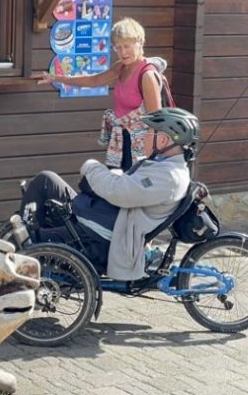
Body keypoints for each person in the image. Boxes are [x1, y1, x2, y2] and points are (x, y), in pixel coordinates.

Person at [19, 107, 198, 281]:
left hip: (103, 235)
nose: (142, 137)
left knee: (30, 240)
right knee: (46, 180)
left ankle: (19, 256)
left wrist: (91, 167)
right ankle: (24, 243)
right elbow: (129, 187)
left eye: (148, 132)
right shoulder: (162, 166)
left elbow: (118, 192)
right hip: (100, 216)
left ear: (163, 140)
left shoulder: (169, 177)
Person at [39, 17, 164, 170]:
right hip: (121, 139)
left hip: (140, 146)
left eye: (127, 46)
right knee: (115, 187)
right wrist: (56, 78)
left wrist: (148, 158)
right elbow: (94, 81)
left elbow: (156, 122)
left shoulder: (147, 75)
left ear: (141, 43)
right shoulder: (122, 67)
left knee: (130, 190)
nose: (123, 52)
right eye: (117, 47)